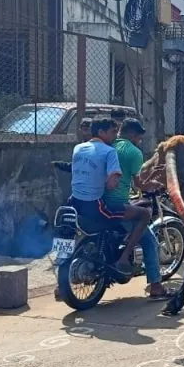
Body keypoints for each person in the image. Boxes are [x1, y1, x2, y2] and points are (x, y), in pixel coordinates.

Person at [69, 118, 149, 276]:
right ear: (101, 132)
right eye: (112, 132)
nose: (115, 135)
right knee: (145, 214)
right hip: (97, 207)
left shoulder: (78, 148)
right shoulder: (109, 151)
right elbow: (113, 184)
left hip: (74, 202)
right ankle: (124, 258)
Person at [105, 118, 174, 299]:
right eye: (139, 137)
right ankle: (156, 286)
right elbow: (139, 184)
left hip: (98, 203)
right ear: (133, 135)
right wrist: (157, 184)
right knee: (149, 239)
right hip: (117, 205)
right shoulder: (134, 152)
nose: (140, 141)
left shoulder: (108, 145)